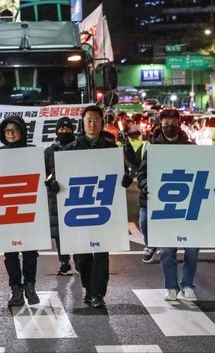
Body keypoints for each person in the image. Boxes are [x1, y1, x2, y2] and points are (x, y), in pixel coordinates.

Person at [65, 106, 129, 309]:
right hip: (80, 207)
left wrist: (125, 179)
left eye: (96, 120)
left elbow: (123, 172)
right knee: (81, 256)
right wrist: (56, 184)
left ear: (102, 122)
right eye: (88, 120)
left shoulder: (111, 148)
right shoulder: (71, 149)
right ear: (82, 123)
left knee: (101, 253)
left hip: (103, 207)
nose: (92, 124)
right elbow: (61, 175)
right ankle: (88, 288)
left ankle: (98, 293)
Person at [137, 107, 200, 301]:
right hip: (161, 204)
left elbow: (201, 172)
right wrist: (146, 185)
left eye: (173, 124)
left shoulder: (191, 148)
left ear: (179, 124)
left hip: (187, 203)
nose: (169, 127)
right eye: (166, 124)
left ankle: (187, 285)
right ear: (160, 125)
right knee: (167, 250)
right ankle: (171, 287)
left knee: (192, 249)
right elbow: (141, 174)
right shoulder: (152, 149)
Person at [0, 115, 41, 307]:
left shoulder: (33, 152)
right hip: (6, 208)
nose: (11, 134)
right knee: (10, 252)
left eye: (15, 130)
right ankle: (16, 288)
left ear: (22, 132)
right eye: (7, 131)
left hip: (29, 207)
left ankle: (30, 286)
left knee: (30, 251)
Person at [44, 116, 76, 276]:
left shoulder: (79, 148)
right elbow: (44, 172)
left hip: (76, 194)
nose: (64, 131)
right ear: (56, 131)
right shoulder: (49, 151)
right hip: (56, 196)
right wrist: (51, 182)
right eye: (61, 129)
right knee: (59, 232)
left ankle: (79, 259)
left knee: (76, 228)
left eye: (67, 128)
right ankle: (64, 262)